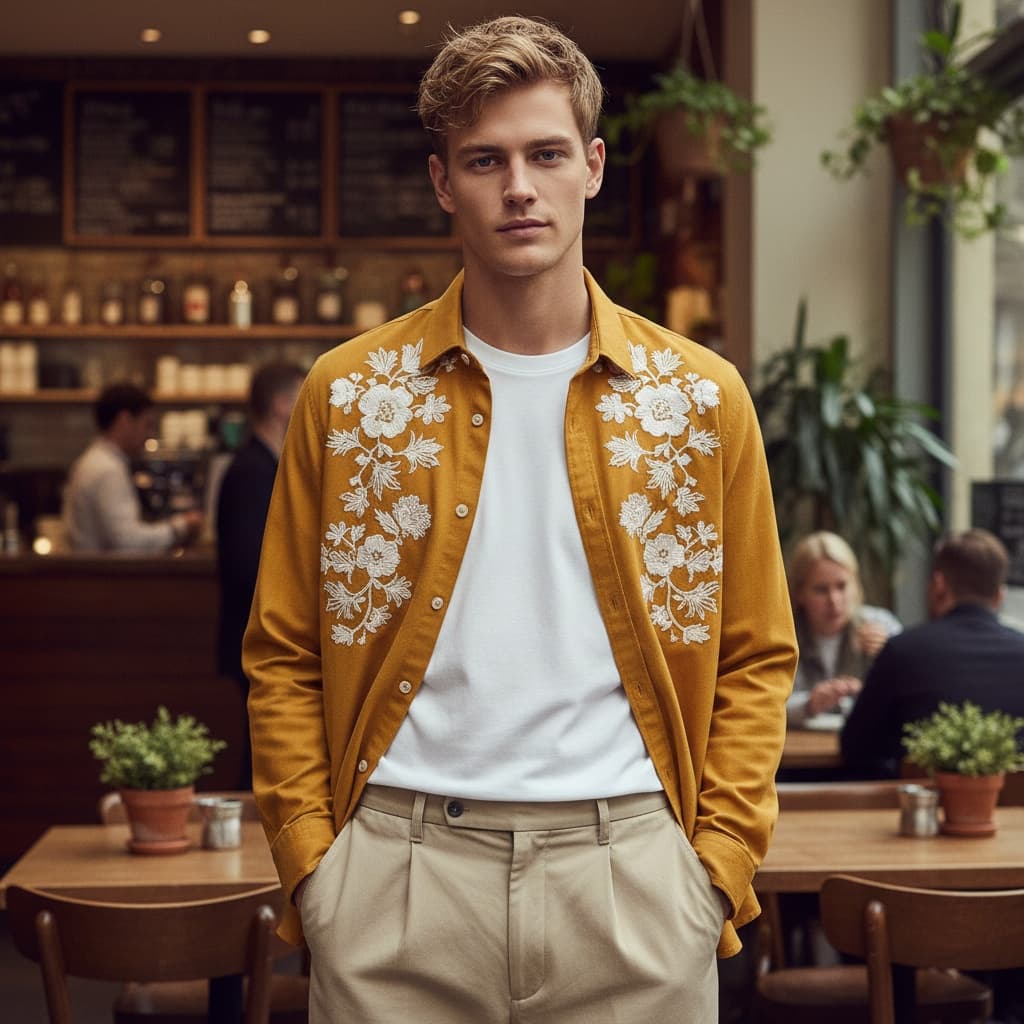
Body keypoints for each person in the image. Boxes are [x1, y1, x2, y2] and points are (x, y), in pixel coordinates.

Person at [245, 16, 797, 1023]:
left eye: (545, 154)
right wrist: (316, 868)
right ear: (441, 182)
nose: (518, 187)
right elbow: (283, 649)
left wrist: (714, 868)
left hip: (634, 875)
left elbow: (756, 653)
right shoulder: (350, 395)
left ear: (592, 167)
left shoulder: (698, 399)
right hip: (393, 876)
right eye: (484, 160)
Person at [842, 528, 1024, 778]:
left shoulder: (902, 651)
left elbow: (856, 747)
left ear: (938, 584)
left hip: (921, 801)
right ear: (999, 595)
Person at [215, 360, 305, 787]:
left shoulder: (267, 463)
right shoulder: (252, 469)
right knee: (265, 751)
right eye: (303, 397)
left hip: (264, 632)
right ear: (282, 405)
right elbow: (248, 564)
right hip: (256, 633)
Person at [63, 382, 203, 553]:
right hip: (102, 570)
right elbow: (128, 542)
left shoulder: (95, 460)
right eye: (146, 425)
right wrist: (181, 526)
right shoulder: (107, 469)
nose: (149, 435)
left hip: (90, 567)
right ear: (125, 420)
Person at [786, 531, 900, 728]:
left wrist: (890, 657)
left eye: (842, 586)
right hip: (802, 746)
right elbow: (766, 705)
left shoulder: (881, 624)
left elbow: (910, 694)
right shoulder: (785, 636)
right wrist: (809, 704)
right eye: (821, 589)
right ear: (799, 593)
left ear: (855, 585)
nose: (834, 600)